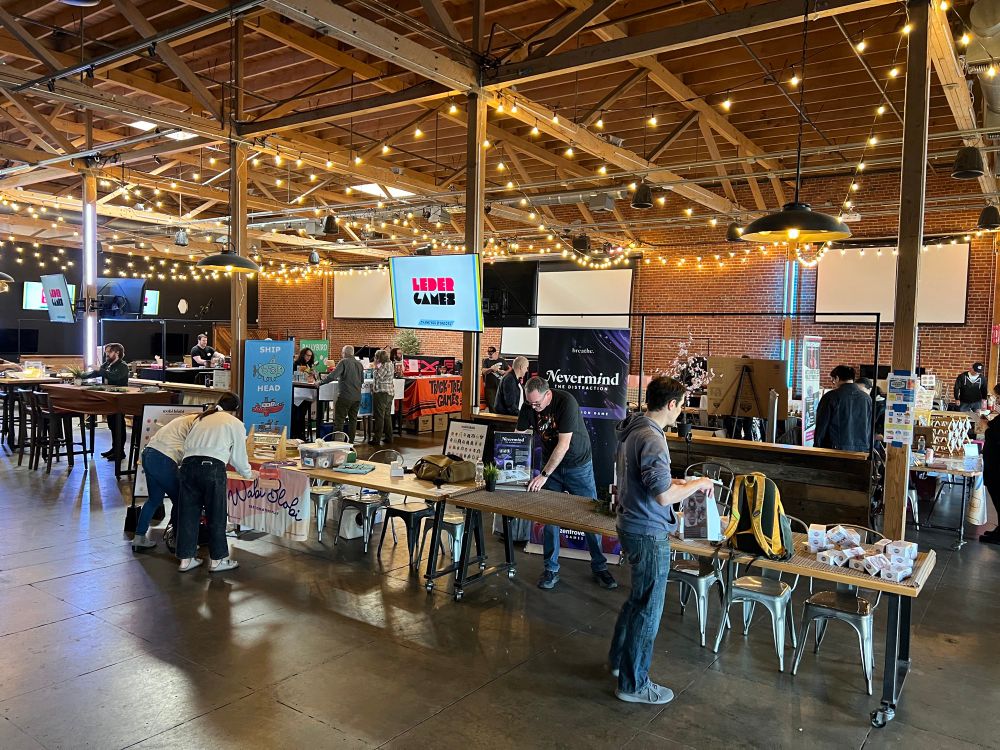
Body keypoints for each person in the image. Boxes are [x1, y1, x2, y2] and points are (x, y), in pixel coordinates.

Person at [609, 376, 715, 705]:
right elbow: (663, 495)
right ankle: (634, 684)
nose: (682, 412)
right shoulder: (653, 439)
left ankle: (618, 664)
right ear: (671, 405)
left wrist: (679, 480)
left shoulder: (634, 429)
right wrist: (697, 484)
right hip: (648, 531)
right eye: (681, 405)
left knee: (637, 601)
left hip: (630, 523)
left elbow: (651, 481)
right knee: (649, 609)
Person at [517, 376, 617, 591]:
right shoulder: (529, 405)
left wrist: (543, 474)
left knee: (589, 515)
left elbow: (563, 445)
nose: (534, 408)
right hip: (549, 465)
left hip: (577, 464)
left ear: (548, 394)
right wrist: (511, 464)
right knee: (550, 516)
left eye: (537, 404)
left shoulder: (566, 402)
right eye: (530, 404)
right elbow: (519, 437)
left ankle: (600, 566)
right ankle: (551, 569)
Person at [176, 392, 253, 573]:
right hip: (212, 468)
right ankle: (218, 560)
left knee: (188, 514)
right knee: (216, 515)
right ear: (235, 410)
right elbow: (238, 456)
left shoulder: (202, 418)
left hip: (187, 466)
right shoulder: (234, 423)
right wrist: (247, 473)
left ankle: (185, 560)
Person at [130, 413, 198, 551]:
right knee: (181, 500)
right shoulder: (199, 424)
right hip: (163, 458)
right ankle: (177, 540)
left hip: (148, 454)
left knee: (154, 500)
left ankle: (139, 537)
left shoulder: (185, 419)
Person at [81, 342, 129, 460]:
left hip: (119, 399)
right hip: (109, 397)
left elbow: (113, 377)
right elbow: (95, 373)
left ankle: (120, 451)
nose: (106, 354)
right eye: (106, 352)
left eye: (109, 352)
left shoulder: (122, 366)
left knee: (118, 424)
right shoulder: (108, 364)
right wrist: (80, 376)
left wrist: (100, 370)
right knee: (112, 424)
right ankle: (114, 448)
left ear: (117, 353)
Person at [814, 365, 872, 452]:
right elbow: (869, 426)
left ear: (837, 378)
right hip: (861, 450)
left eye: (833, 380)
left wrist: (817, 447)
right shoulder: (867, 398)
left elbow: (822, 424)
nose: (834, 383)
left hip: (834, 449)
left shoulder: (830, 396)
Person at [319, 345, 365, 442]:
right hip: (357, 397)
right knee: (353, 420)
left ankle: (337, 443)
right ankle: (350, 443)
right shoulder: (359, 364)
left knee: (339, 420)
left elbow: (333, 376)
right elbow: (362, 380)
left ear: (344, 353)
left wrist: (320, 382)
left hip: (345, 396)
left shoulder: (343, 362)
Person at [290, 347, 317, 440]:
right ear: (303, 354)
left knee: (301, 416)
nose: (308, 357)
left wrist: (313, 375)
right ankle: (294, 435)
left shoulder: (310, 365)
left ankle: (301, 435)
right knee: (295, 416)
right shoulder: (295, 364)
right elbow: (293, 377)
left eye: (310, 356)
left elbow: (313, 379)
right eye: (307, 355)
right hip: (297, 394)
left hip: (306, 395)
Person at [370, 349, 395, 446]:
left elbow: (378, 375)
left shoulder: (385, 366)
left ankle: (376, 439)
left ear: (379, 358)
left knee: (379, 416)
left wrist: (376, 366)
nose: (375, 358)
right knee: (387, 416)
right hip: (389, 393)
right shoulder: (390, 364)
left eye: (376, 357)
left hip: (382, 393)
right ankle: (389, 437)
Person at [481, 346, 507, 411]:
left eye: (491, 354)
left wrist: (504, 372)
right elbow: (483, 371)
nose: (490, 355)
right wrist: (491, 369)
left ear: (495, 353)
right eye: (489, 353)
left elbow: (510, 369)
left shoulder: (502, 360)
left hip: (500, 386)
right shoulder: (486, 361)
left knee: (501, 403)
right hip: (490, 387)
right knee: (492, 404)